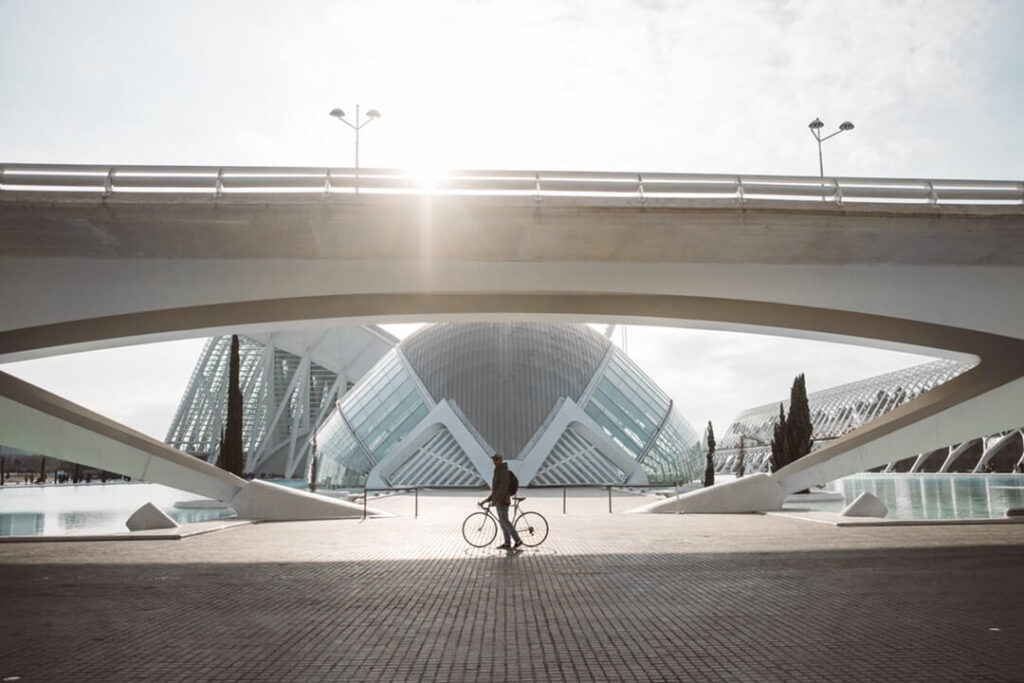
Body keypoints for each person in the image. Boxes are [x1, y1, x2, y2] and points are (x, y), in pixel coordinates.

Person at [482, 454, 522, 550]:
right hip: (499, 501)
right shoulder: (498, 471)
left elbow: (503, 488)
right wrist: (489, 499)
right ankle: (507, 543)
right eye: (493, 460)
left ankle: (518, 540)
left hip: (503, 501)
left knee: (505, 522)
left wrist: (498, 500)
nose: (494, 462)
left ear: (500, 460)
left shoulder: (503, 471)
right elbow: (496, 489)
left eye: (496, 460)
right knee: (503, 523)